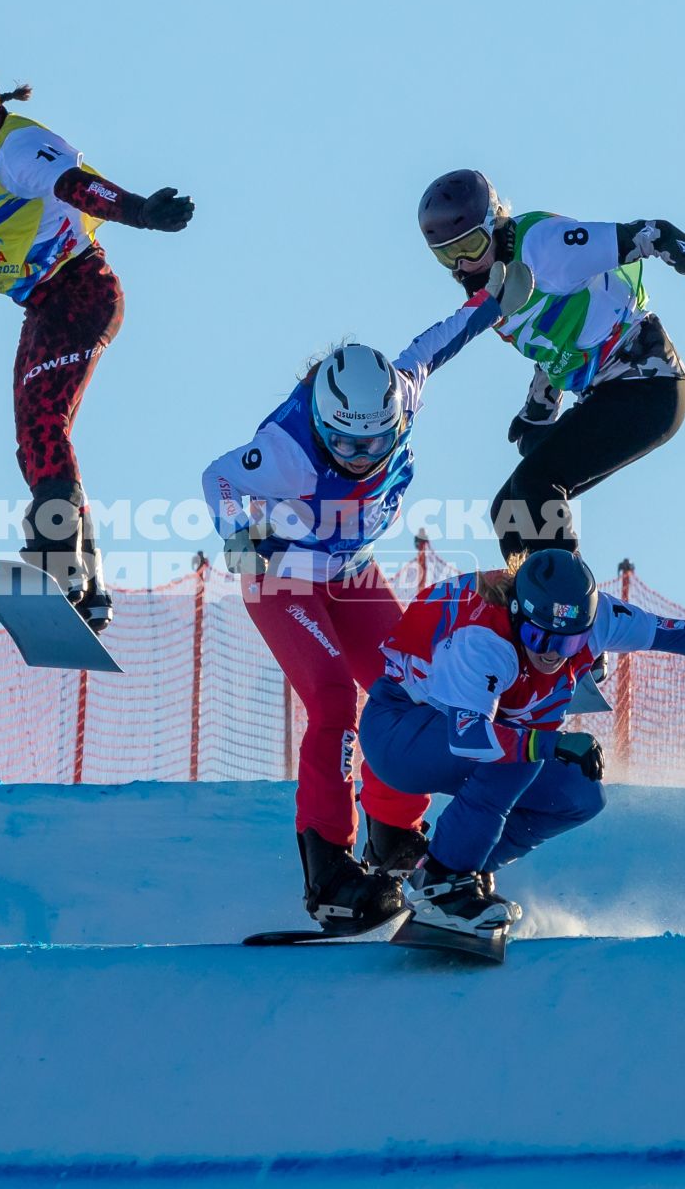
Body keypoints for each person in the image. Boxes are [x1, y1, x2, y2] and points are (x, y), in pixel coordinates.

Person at [200, 294, 505, 933]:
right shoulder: (287, 448)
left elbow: (441, 340)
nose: (362, 452)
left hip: (350, 571)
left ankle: (395, 833)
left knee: (416, 691)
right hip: (282, 576)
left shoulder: (402, 391)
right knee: (335, 701)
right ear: (321, 420)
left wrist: (497, 296)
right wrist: (236, 533)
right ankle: (331, 873)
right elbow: (220, 476)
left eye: (375, 440)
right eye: (344, 441)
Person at [360, 548, 685, 945]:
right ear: (516, 614)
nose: (552, 654)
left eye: (569, 643)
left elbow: (673, 632)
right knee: (520, 754)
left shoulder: (597, 618)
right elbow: (470, 738)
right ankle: (443, 882)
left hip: (470, 731)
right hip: (400, 733)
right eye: (539, 639)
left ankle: (449, 868)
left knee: (579, 795)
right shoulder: (484, 643)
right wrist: (550, 743)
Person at [0, 46, 194, 632]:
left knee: (44, 425)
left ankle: (61, 561)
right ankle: (86, 580)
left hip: (80, 290)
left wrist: (142, 213)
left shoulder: (18, 150)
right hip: (42, 306)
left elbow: (79, 188)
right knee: (32, 440)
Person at [416, 170, 685, 564]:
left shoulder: (545, 246)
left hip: (650, 384)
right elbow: (561, 340)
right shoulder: (496, 293)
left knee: (537, 485)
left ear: (495, 224)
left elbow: (657, 234)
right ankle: (527, 610)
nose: (464, 267)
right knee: (509, 512)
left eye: (472, 246)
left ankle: (567, 603)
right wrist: (539, 409)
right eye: (448, 255)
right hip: (608, 391)